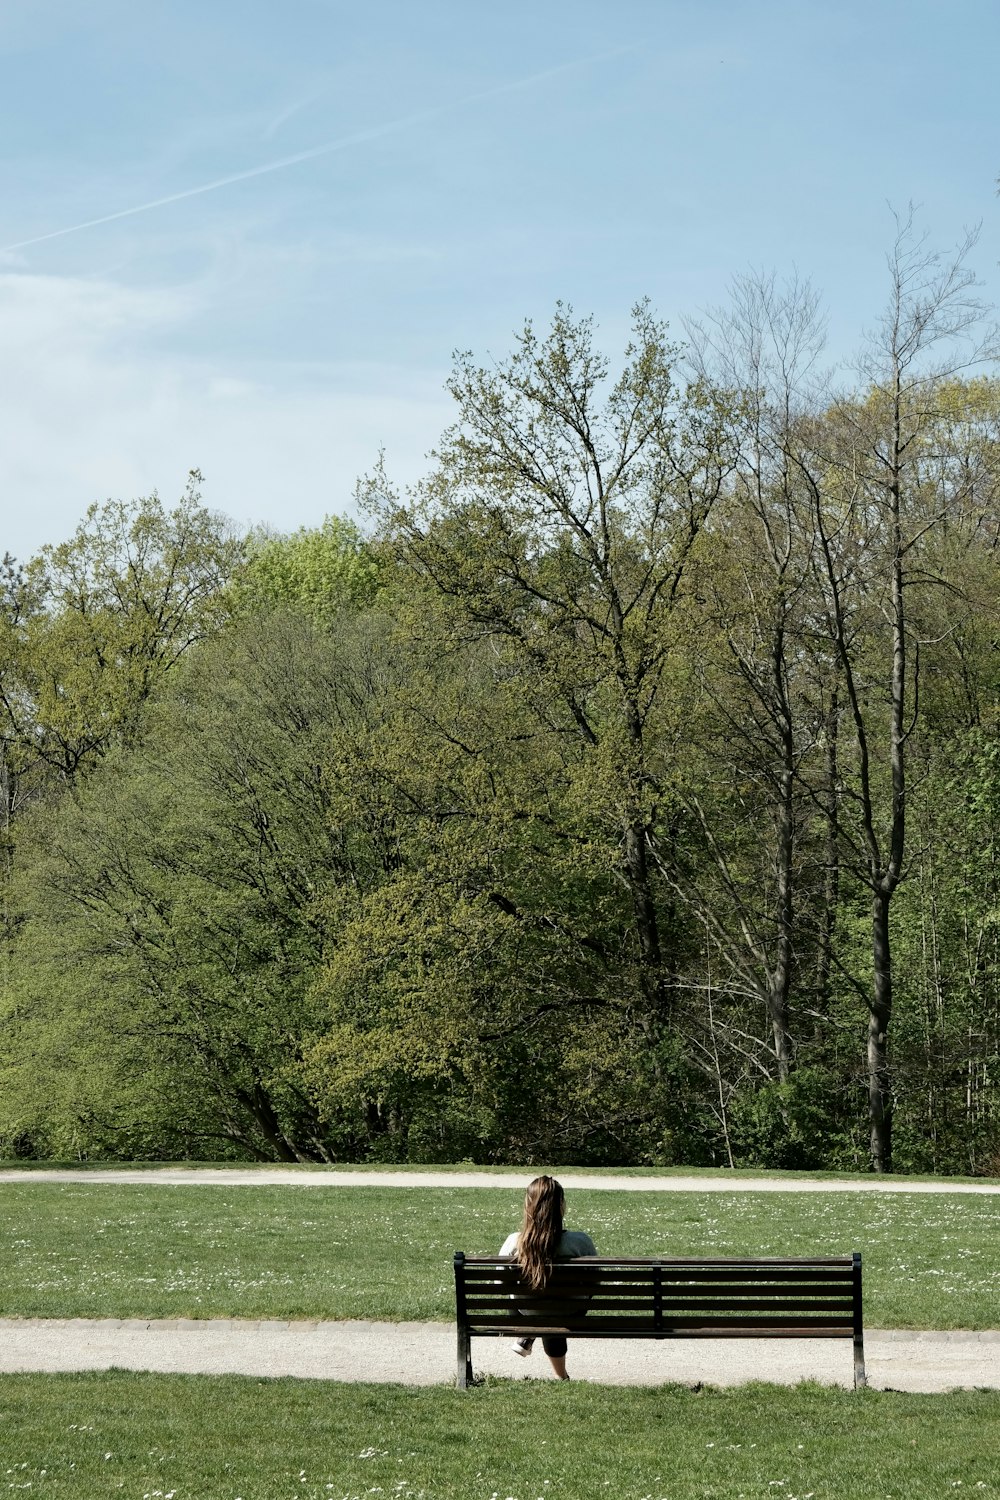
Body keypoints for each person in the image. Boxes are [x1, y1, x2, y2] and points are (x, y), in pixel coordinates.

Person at [498, 1174, 597, 1380]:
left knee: (533, 1304)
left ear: (528, 1205)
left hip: (527, 1311)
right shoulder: (580, 1242)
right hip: (572, 1311)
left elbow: (501, 1283)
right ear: (561, 1206)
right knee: (554, 1308)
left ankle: (529, 1333)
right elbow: (595, 1281)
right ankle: (561, 1376)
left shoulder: (514, 1243)